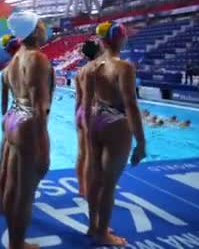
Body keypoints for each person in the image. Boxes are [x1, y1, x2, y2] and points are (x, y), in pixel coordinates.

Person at [81, 21, 147, 246]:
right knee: (108, 184)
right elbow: (130, 104)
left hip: (94, 119)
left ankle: (93, 226)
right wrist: (141, 141)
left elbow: (87, 101)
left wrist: (88, 127)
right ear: (120, 39)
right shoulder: (124, 67)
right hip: (116, 123)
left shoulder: (92, 66)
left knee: (94, 177)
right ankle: (103, 234)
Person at [0, 11, 54, 249]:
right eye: (42, 25)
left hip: (12, 118)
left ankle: (14, 239)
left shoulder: (15, 59)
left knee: (12, 185)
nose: (45, 29)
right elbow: (40, 107)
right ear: (34, 30)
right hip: (28, 122)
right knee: (26, 191)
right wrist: (42, 146)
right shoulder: (37, 58)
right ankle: (17, 244)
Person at [74, 39, 101, 197]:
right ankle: (93, 190)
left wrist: (76, 117)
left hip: (81, 112)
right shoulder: (100, 68)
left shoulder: (80, 72)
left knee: (82, 154)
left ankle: (82, 189)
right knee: (95, 156)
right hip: (94, 113)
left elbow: (79, 98)